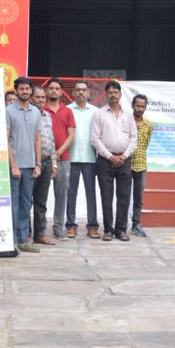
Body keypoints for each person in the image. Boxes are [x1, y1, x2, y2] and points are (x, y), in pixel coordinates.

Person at [90, 80, 137, 242]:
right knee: (106, 196)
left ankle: (121, 230)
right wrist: (110, 157)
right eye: (109, 92)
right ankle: (108, 230)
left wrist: (123, 156)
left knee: (124, 196)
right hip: (105, 161)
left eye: (115, 92)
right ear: (106, 94)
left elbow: (133, 138)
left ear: (120, 94)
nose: (113, 95)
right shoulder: (99, 114)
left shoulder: (128, 115)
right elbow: (95, 139)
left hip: (125, 159)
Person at [6, 76, 42, 252]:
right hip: (14, 166)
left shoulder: (35, 112)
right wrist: (13, 165)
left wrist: (38, 164)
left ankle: (23, 240)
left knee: (26, 204)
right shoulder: (8, 110)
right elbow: (5, 140)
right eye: (22, 89)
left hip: (30, 166)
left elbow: (37, 139)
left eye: (28, 89)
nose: (25, 92)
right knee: (13, 204)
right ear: (16, 90)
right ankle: (11, 241)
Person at [42, 78, 76, 240]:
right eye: (51, 88)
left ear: (62, 92)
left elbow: (71, 136)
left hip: (63, 159)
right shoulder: (41, 109)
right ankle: (39, 228)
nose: (54, 91)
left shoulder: (67, 111)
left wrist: (59, 151)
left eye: (57, 89)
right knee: (39, 195)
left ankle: (58, 227)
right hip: (43, 159)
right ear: (46, 91)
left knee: (61, 194)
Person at [66, 80, 100, 238]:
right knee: (70, 193)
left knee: (91, 193)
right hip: (70, 158)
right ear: (73, 93)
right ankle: (71, 225)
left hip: (90, 158)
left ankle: (92, 226)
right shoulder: (66, 110)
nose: (81, 92)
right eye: (78, 90)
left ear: (88, 93)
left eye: (84, 90)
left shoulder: (95, 111)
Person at [30, 86, 59, 245]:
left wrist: (54, 164)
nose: (41, 100)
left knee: (41, 202)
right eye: (38, 97)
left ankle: (40, 234)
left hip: (48, 162)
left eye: (43, 97)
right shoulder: (28, 116)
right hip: (32, 163)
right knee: (27, 201)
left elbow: (52, 142)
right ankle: (25, 234)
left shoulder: (47, 116)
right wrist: (36, 163)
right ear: (31, 98)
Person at [129, 93, 152, 237]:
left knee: (139, 198)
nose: (140, 108)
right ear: (132, 105)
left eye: (142, 106)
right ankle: (120, 225)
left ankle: (136, 224)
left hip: (141, 165)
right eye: (137, 105)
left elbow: (146, 143)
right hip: (125, 164)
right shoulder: (126, 121)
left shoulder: (148, 125)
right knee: (123, 196)